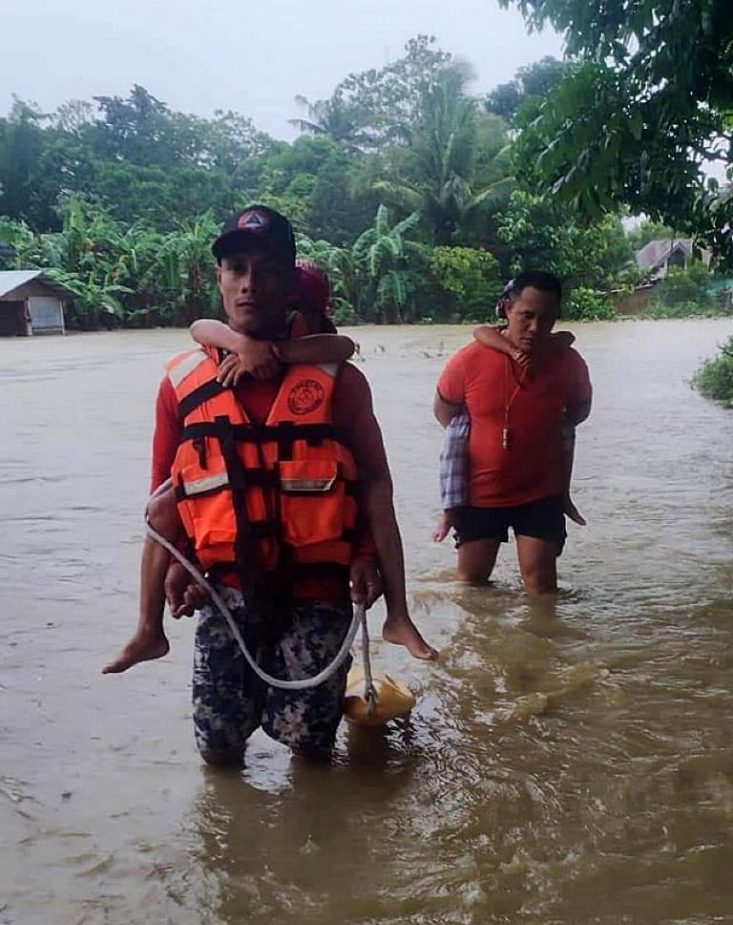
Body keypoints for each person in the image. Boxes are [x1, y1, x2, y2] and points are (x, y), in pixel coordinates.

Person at [110, 204, 433, 761]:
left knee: (309, 745)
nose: (249, 284)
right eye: (235, 268)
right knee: (217, 747)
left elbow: (373, 485)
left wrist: (363, 554)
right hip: (224, 587)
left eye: (266, 270)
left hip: (320, 586)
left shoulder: (340, 382)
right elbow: (170, 492)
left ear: (290, 281)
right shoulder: (182, 382)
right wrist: (181, 567)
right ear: (219, 278)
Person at [433, 270, 592, 594]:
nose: (535, 328)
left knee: (542, 591)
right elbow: (444, 411)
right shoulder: (470, 359)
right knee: (472, 588)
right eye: (526, 316)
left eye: (546, 319)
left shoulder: (568, 362)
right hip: (480, 494)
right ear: (507, 309)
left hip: (541, 492)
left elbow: (578, 412)